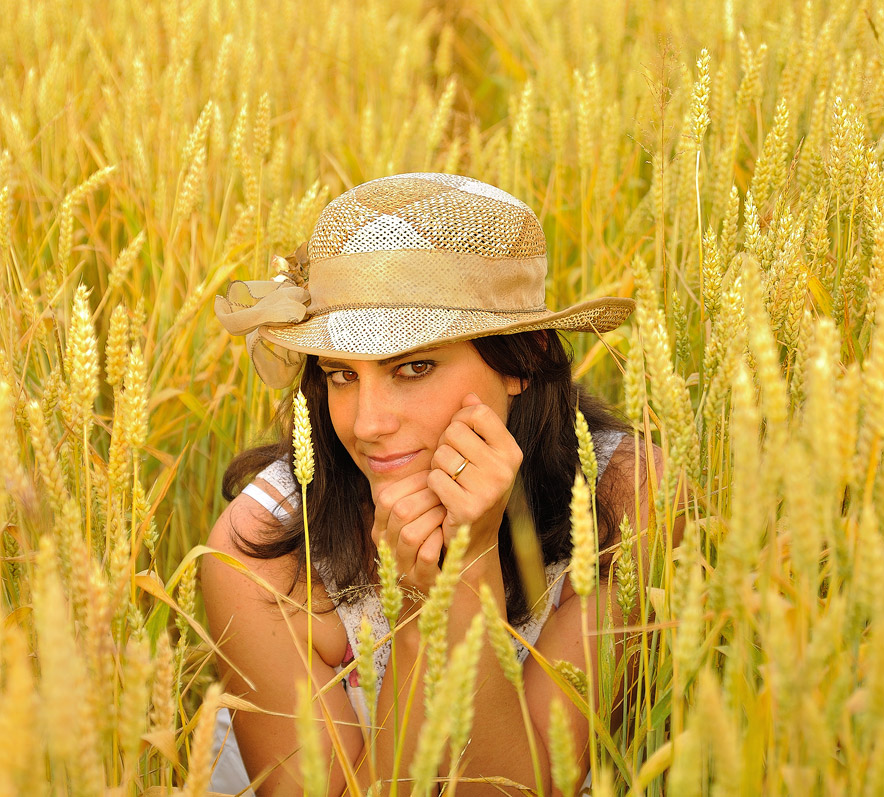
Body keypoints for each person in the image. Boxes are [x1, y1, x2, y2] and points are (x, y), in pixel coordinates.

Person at [204, 173, 667, 795]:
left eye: (414, 367)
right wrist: (420, 607)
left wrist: (469, 567)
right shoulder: (265, 545)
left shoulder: (625, 498)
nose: (367, 424)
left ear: (522, 359)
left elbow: (517, 789)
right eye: (341, 375)